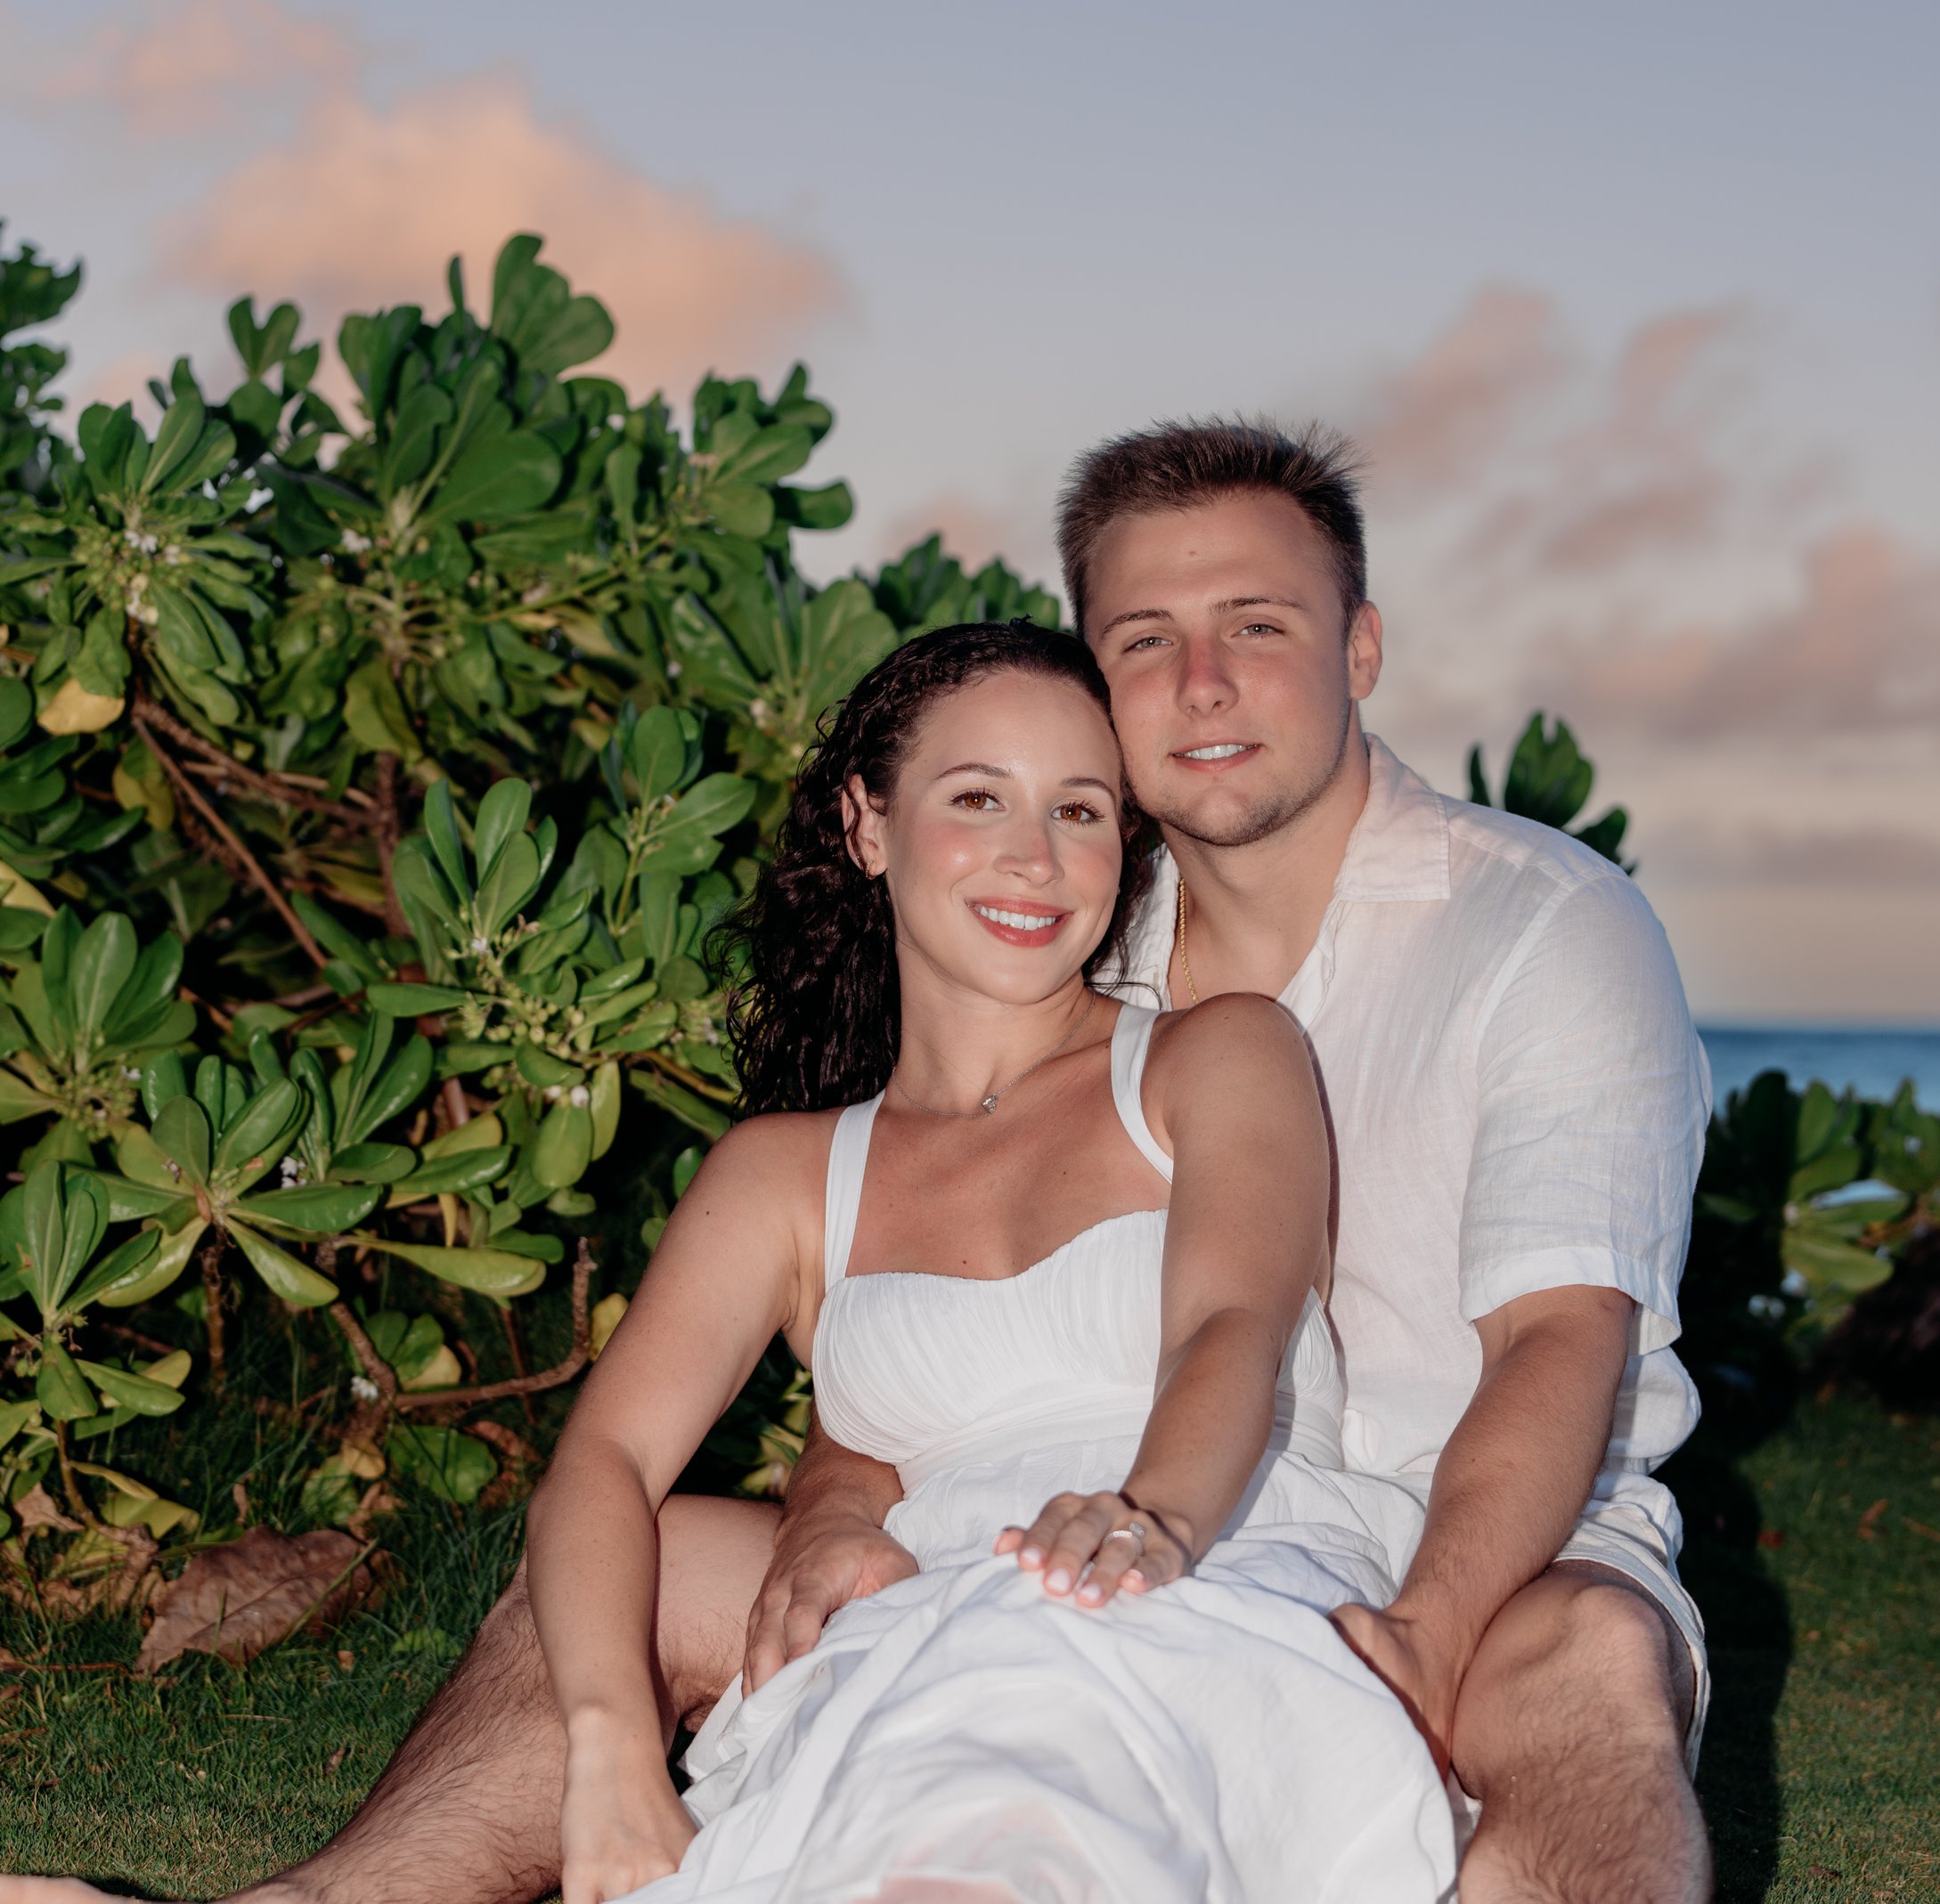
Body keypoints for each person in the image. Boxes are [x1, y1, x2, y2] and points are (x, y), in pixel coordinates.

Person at [5, 418, 1710, 1904]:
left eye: (1257, 626)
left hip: (1459, 1529)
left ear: (1360, 649)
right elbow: (941, 1302)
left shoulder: (1534, 930)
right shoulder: (1080, 952)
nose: (1200, 683)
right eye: (1145, 639)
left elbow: (1519, 1341)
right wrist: (822, 1512)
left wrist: (1402, 1631)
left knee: (1586, 1671)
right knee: (657, 1564)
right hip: (1015, 1534)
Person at [534, 617, 1454, 1901]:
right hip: (926, 1612)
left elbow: (1230, 1324)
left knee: (1012, 1804)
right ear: (868, 825)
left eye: (1081, 810)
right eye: (979, 798)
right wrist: (614, 1749)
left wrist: (1151, 1517)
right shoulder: (789, 1173)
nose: (1038, 857)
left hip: (1213, 1564)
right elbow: (605, 1460)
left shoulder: (1214, 1057)